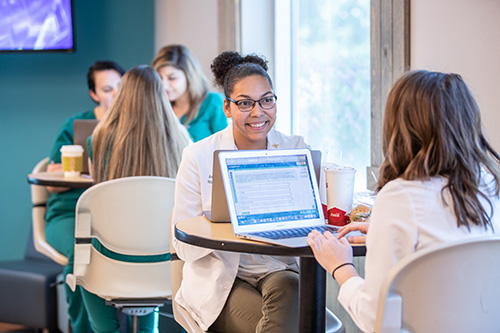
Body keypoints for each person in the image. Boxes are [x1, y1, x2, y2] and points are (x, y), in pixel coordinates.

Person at [307, 70, 500, 332]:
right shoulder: (486, 183)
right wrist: (383, 232)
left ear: (400, 128)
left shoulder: (400, 196)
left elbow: (375, 318)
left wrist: (341, 266)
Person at [171, 51, 309, 332]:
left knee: (291, 288)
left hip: (277, 269)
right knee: (284, 325)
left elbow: (310, 225)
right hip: (221, 276)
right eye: (245, 103)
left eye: (267, 100)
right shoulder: (198, 156)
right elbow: (182, 245)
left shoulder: (296, 149)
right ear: (227, 108)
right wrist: (232, 226)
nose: (258, 112)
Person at [84, 65, 191, 332]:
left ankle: (104, 330)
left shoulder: (97, 140)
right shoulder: (184, 142)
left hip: (111, 261)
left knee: (83, 260)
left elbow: (98, 193)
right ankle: (146, 329)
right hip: (164, 265)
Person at [45, 60, 125, 332]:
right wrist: (88, 165)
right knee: (80, 253)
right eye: (106, 88)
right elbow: (52, 183)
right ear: (94, 94)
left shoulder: (133, 128)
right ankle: (82, 329)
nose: (113, 93)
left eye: (119, 87)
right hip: (70, 212)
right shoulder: (74, 126)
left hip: (114, 214)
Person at [152, 44, 227, 142]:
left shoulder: (213, 103)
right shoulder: (158, 107)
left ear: (189, 76)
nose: (164, 85)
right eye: (159, 78)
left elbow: (227, 147)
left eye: (172, 78)